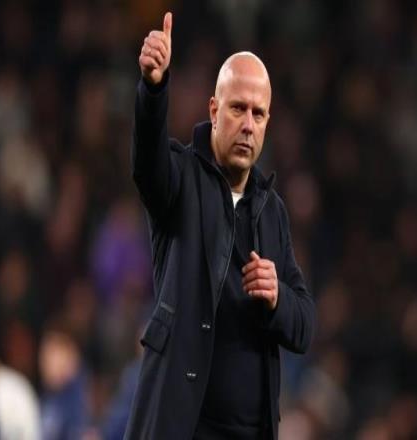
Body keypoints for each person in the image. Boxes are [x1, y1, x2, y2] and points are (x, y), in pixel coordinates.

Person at [124, 11, 316, 440]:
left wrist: (277, 296)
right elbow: (146, 166)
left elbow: (304, 325)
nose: (248, 124)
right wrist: (153, 89)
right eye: (238, 108)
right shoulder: (180, 178)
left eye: (258, 114)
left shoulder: (272, 211)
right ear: (214, 110)